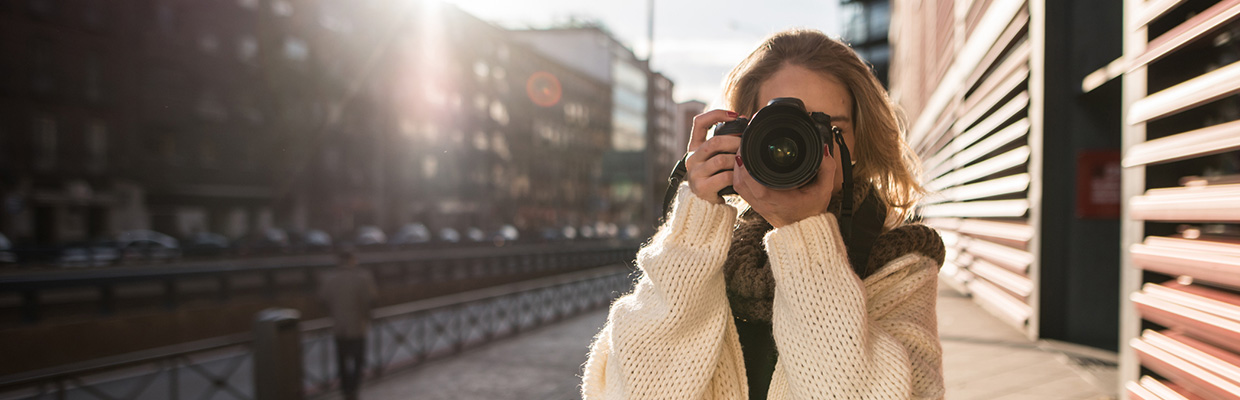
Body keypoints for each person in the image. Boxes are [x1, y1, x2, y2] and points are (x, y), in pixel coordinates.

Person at [580, 29, 945, 399]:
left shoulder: (901, 265)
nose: (803, 147)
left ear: (860, 145)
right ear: (741, 138)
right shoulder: (705, 251)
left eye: (828, 128)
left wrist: (804, 234)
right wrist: (695, 224)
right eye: (779, 130)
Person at [318, 248, 378, 400]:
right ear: (353, 260)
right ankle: (354, 389)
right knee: (358, 360)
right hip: (358, 326)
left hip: (339, 327)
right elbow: (370, 300)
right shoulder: (363, 277)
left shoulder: (329, 278)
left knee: (342, 360)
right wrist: (368, 317)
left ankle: (345, 390)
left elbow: (323, 301)